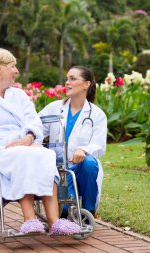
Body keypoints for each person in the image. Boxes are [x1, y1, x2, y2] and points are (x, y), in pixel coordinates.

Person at [0, 48, 80, 236]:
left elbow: (33, 120)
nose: (16, 71)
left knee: (46, 154)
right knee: (24, 156)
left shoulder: (18, 95)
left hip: (25, 144)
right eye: (13, 66)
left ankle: (54, 222)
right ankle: (30, 219)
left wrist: (28, 137)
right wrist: (16, 142)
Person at [39, 66, 107, 216]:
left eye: (73, 79)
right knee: (63, 212)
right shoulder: (54, 108)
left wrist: (84, 150)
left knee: (89, 163)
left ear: (86, 84)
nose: (67, 83)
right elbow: (36, 129)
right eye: (67, 79)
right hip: (57, 169)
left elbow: (99, 145)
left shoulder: (97, 114)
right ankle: (66, 208)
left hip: (81, 167)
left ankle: (88, 212)